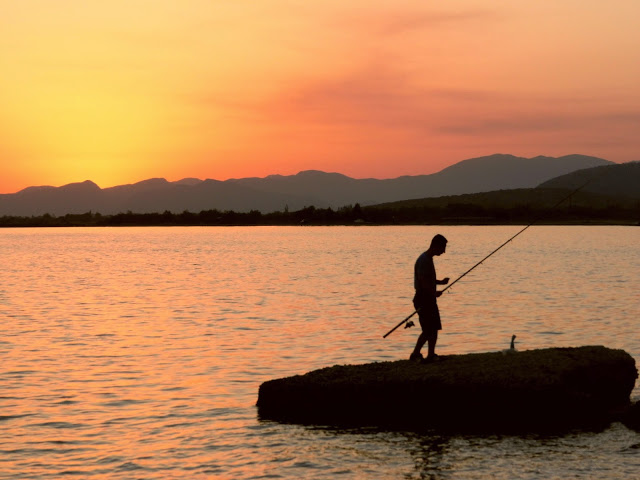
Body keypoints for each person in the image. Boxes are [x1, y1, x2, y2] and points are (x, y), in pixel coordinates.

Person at [410, 234, 449, 363]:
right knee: (428, 329)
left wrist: (441, 282)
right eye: (442, 248)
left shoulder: (428, 259)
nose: (443, 251)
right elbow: (422, 281)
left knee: (434, 327)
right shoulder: (424, 260)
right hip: (423, 298)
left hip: (428, 298)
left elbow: (428, 279)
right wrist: (434, 293)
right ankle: (415, 354)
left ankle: (431, 354)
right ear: (436, 246)